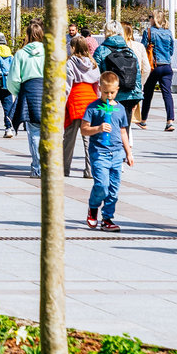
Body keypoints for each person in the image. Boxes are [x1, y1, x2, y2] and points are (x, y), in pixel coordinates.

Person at [81, 69, 134, 231]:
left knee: (114, 189)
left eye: (112, 92)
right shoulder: (93, 108)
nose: (109, 96)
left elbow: (123, 131)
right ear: (99, 89)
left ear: (117, 90)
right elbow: (84, 129)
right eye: (105, 93)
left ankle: (107, 218)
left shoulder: (120, 109)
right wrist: (98, 128)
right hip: (99, 152)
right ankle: (93, 207)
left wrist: (128, 152)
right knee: (102, 185)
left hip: (117, 153)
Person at [8, 21, 47, 176]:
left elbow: (13, 80)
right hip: (48, 93)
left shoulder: (21, 54)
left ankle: (37, 167)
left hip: (30, 94)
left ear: (27, 35)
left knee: (35, 133)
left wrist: (20, 93)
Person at [63, 34, 100, 178]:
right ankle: (90, 171)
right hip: (90, 101)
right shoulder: (93, 63)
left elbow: (67, 84)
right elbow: (97, 84)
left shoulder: (70, 63)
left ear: (73, 48)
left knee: (69, 139)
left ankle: (64, 169)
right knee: (89, 139)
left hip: (75, 101)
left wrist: (62, 103)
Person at [93, 23, 143, 129]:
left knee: (109, 129)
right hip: (130, 95)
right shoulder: (129, 50)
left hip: (110, 95)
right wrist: (136, 95)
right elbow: (137, 73)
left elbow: (95, 74)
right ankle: (125, 146)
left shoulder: (101, 50)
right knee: (124, 130)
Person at [141, 9, 176, 132]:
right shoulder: (168, 32)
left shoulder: (149, 32)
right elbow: (171, 51)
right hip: (167, 66)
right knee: (167, 94)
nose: (149, 19)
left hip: (154, 67)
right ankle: (170, 122)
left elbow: (143, 48)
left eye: (150, 17)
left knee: (148, 93)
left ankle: (143, 120)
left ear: (154, 19)